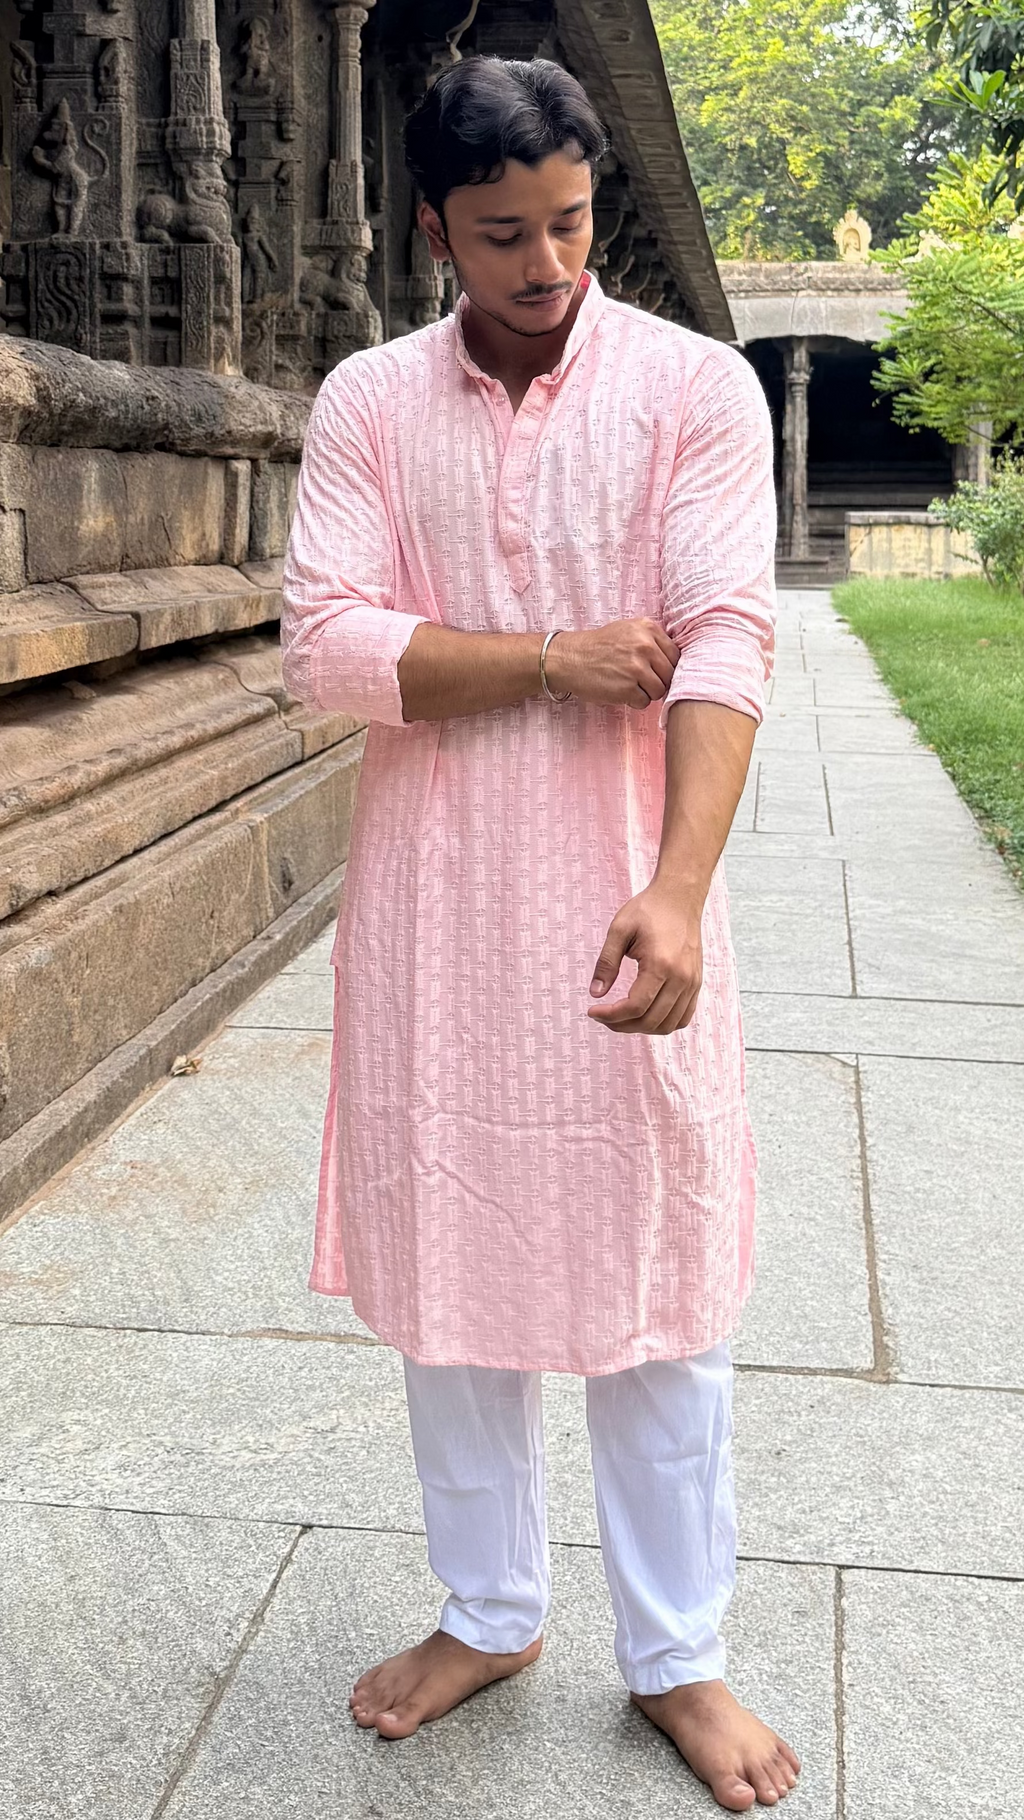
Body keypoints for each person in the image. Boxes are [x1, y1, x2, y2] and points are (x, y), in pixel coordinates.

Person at [280, 55, 798, 1814]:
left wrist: (682, 887)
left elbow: (724, 635)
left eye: (570, 223)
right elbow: (325, 647)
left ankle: (679, 1653)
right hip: (433, 912)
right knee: (454, 1281)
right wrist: (558, 659)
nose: (550, 263)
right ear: (435, 227)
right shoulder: (370, 402)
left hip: (619, 897)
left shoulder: (693, 390)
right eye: (504, 234)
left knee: (660, 1281)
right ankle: (490, 1611)